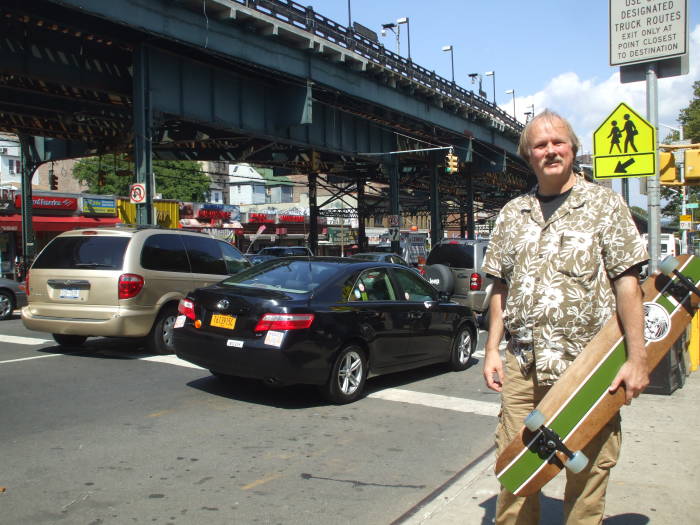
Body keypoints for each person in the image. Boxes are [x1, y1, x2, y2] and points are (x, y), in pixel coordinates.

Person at [481, 109, 649, 525]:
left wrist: (637, 358)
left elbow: (628, 284)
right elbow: (499, 287)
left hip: (589, 366)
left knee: (589, 469)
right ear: (528, 156)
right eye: (540, 145)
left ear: (573, 149)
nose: (550, 150)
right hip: (523, 365)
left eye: (558, 142)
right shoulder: (512, 213)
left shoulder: (606, 206)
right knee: (517, 468)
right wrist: (491, 350)